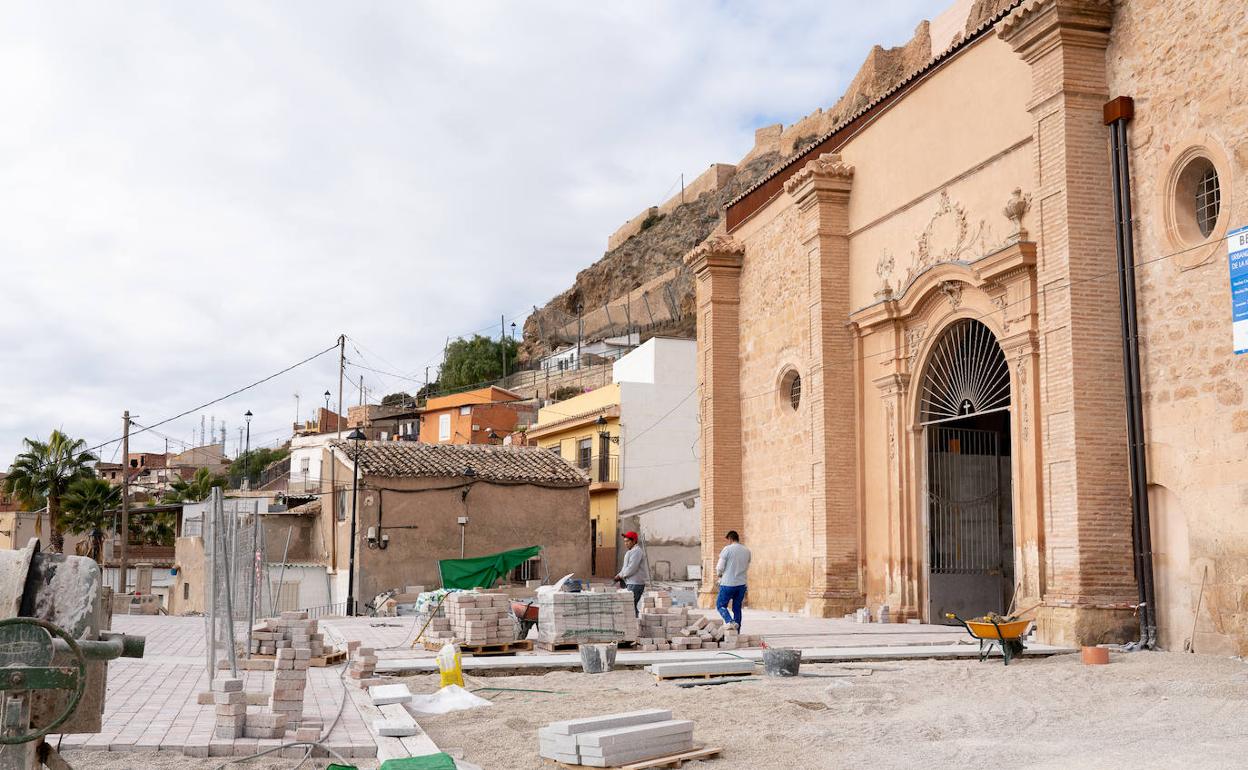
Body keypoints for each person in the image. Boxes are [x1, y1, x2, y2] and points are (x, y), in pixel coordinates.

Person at [716, 530, 751, 630]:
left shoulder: (727, 549)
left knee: (720, 605)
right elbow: (746, 566)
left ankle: (730, 621)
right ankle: (737, 630)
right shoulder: (747, 551)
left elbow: (720, 567)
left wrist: (719, 576)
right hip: (741, 584)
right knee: (737, 608)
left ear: (730, 539)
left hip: (728, 583)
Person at [614, 531, 649, 616]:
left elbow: (631, 568)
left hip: (636, 584)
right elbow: (625, 567)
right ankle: (635, 624)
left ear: (634, 541)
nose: (626, 543)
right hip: (631, 583)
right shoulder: (631, 551)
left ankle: (635, 624)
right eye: (625, 541)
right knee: (631, 606)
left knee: (630, 607)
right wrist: (619, 575)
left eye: (628, 541)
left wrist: (621, 575)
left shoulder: (637, 551)